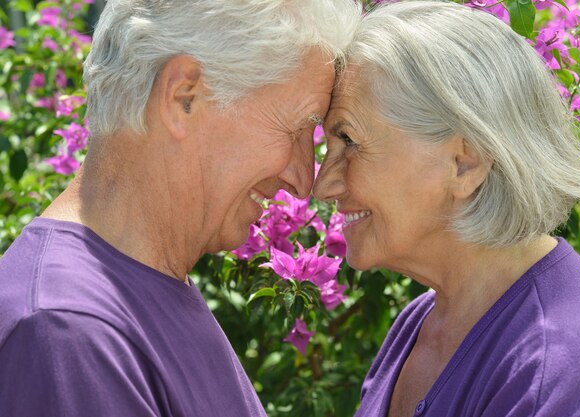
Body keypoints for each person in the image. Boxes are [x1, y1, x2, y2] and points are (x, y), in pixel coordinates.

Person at [0, 1, 361, 416]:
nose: (303, 180)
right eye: (297, 128)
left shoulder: (134, 285)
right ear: (183, 97)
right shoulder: (68, 331)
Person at [313, 1, 580, 416]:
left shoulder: (571, 360)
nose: (323, 185)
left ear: (466, 162)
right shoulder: (421, 322)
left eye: (349, 140)